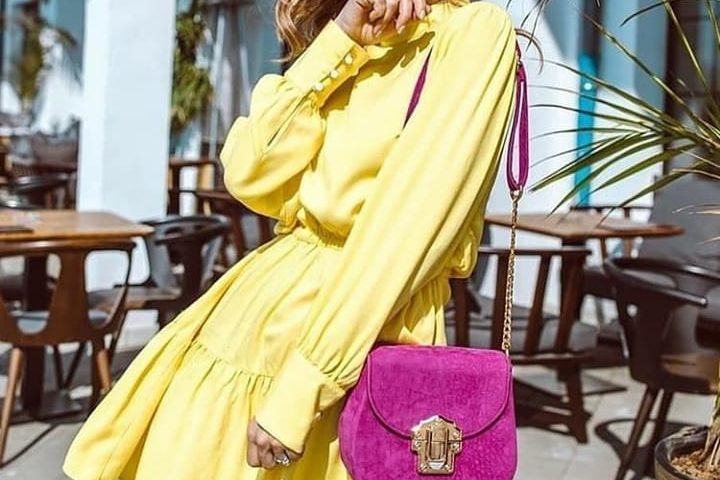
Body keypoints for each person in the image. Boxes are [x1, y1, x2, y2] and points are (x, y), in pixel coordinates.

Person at [64, 0, 520, 478]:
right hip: (254, 322)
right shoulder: (360, 33)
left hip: (350, 341)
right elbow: (250, 171)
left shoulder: (473, 31)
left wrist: (303, 388)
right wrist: (340, 41)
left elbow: (405, 236)